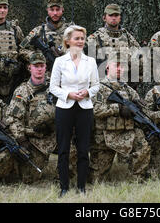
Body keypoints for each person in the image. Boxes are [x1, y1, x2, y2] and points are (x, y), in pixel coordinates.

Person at [50, 25, 99, 197]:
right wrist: (68, 94)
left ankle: (81, 187)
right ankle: (64, 187)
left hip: (85, 109)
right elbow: (53, 87)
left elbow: (96, 86)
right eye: (77, 38)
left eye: (82, 39)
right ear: (68, 41)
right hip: (64, 108)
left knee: (83, 148)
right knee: (63, 148)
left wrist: (87, 92)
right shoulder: (59, 62)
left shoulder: (90, 62)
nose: (80, 41)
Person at [88, 57, 150, 183]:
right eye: (116, 65)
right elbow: (94, 110)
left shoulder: (127, 89)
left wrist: (138, 106)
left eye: (122, 66)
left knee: (143, 146)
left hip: (126, 133)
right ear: (107, 67)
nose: (119, 69)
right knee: (96, 181)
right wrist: (118, 108)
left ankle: (137, 178)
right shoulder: (98, 87)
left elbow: (140, 108)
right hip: (105, 136)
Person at [5, 52, 56, 184]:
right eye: (36, 66)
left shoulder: (56, 86)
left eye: (41, 66)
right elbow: (12, 118)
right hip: (35, 139)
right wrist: (22, 140)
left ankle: (60, 179)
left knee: (73, 152)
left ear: (46, 67)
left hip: (56, 135)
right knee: (29, 179)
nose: (39, 69)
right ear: (29, 68)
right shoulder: (22, 91)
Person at [20, 0, 71, 65]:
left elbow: (81, 47)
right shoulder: (38, 30)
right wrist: (35, 56)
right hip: (44, 72)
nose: (55, 13)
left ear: (62, 10)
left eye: (58, 9)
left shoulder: (71, 30)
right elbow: (22, 49)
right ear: (47, 10)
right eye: (52, 10)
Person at [86, 4, 140, 68]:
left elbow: (140, 60)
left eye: (116, 15)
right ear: (104, 18)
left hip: (126, 76)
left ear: (120, 18)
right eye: (110, 15)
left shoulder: (128, 38)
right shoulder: (95, 38)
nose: (114, 18)